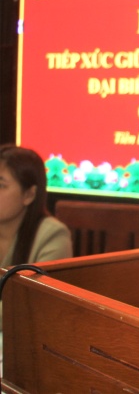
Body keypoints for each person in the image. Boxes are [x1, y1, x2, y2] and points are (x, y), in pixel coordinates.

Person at [0, 144, 73, 369]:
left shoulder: (52, 235)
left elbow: (31, 309)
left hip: (27, 352)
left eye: (1, 185)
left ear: (29, 194)